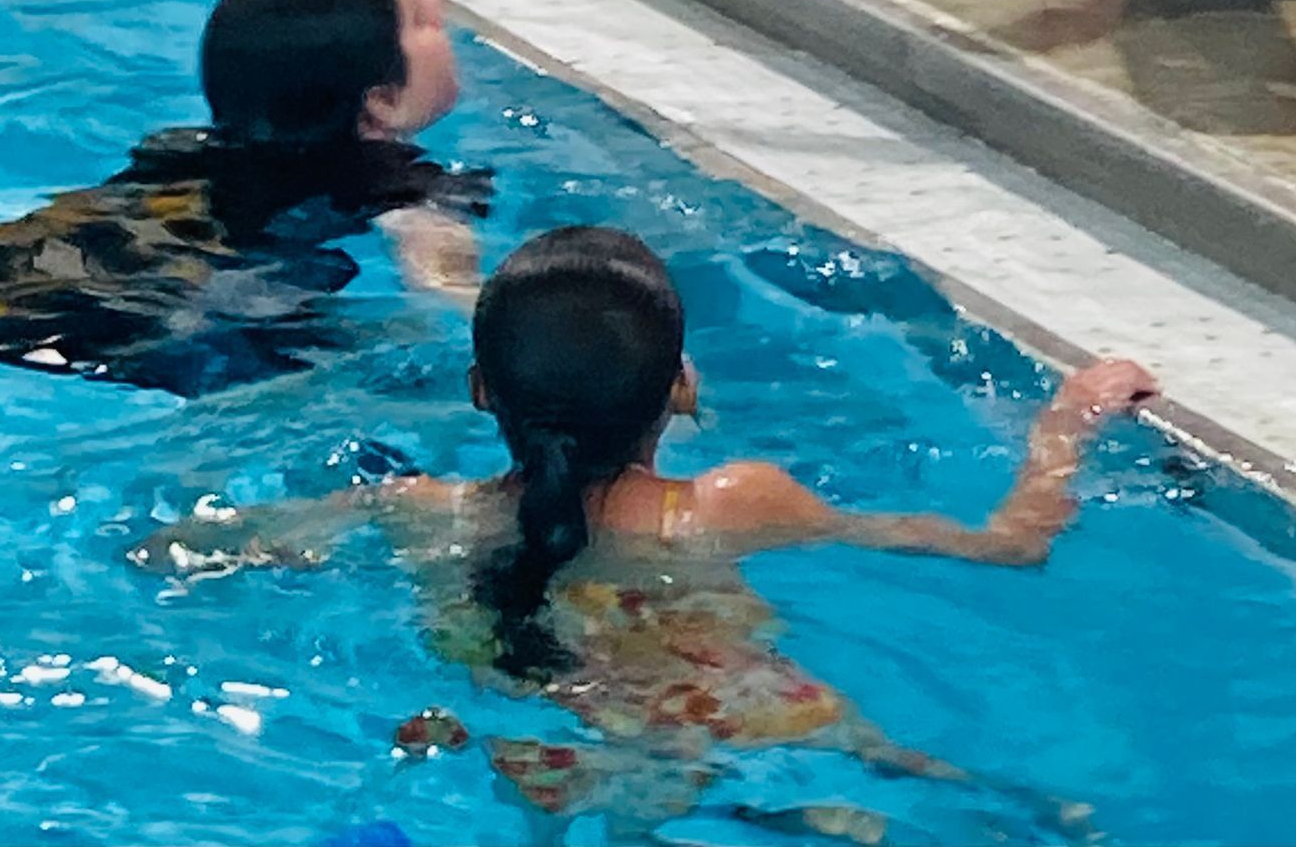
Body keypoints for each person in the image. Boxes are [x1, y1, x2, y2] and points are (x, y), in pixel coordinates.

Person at [131, 223, 1156, 832]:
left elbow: (179, 550)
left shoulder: (419, 515)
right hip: (735, 720)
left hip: (536, 758)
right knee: (931, 800)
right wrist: (1066, 424)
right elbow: (1012, 546)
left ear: (482, 391)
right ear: (682, 389)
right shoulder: (738, 503)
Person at [0, 0, 484, 395]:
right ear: (384, 101)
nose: (438, 6)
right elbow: (444, 284)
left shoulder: (181, 152)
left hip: (11, 290)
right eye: (421, 19)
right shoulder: (406, 186)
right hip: (144, 326)